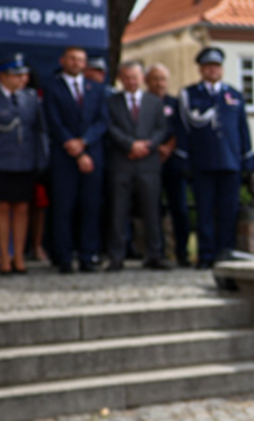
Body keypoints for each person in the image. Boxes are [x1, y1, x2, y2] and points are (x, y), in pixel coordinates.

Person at [173, 47, 250, 269]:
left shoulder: (234, 95)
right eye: (208, 67)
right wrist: (183, 159)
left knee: (229, 211)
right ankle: (206, 254)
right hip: (202, 163)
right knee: (204, 212)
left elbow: (242, 129)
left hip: (229, 162)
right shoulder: (190, 95)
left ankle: (225, 252)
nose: (213, 70)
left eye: (216, 66)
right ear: (201, 69)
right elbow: (183, 130)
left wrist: (247, 158)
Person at [41, 46, 108, 273]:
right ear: (63, 61)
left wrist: (85, 143)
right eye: (72, 59)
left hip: (92, 156)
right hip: (64, 156)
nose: (76, 63)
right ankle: (64, 257)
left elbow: (102, 122)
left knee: (90, 207)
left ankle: (88, 255)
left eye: (80, 59)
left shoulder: (97, 89)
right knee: (63, 208)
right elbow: (53, 121)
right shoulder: (52, 87)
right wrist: (73, 146)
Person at [0, 56, 46, 275]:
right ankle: (4, 256)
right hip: (0, 161)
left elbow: (39, 131)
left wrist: (40, 159)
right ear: (4, 77)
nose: (21, 80)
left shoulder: (31, 98)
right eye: (16, 75)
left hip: (24, 160)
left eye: (23, 75)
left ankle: (18, 256)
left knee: (22, 209)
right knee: (2, 208)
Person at [104, 61, 169, 270]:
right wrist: (130, 144)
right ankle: (116, 256)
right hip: (121, 163)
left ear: (142, 78)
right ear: (121, 79)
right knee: (117, 212)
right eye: (127, 77)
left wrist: (147, 146)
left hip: (148, 164)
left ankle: (154, 254)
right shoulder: (111, 102)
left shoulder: (154, 102)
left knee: (152, 211)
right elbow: (109, 127)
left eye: (135, 77)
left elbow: (162, 129)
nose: (132, 81)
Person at [146, 63, 192, 266]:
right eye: (155, 79)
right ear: (147, 81)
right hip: (149, 161)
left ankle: (182, 252)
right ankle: (157, 253)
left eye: (163, 79)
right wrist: (156, 148)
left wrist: (169, 147)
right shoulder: (143, 102)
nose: (159, 83)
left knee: (180, 209)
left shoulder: (176, 103)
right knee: (153, 209)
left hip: (173, 163)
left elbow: (182, 129)